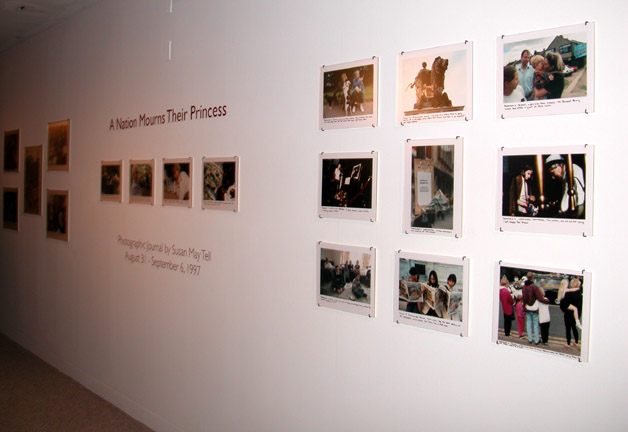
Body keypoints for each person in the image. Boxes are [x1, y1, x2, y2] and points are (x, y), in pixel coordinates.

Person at [522, 272, 549, 345]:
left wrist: (524, 306)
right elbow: (540, 298)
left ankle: (530, 339)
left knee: (528, 323)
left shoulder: (524, 287)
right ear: (533, 278)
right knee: (535, 325)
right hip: (534, 308)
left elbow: (524, 298)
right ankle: (536, 340)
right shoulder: (534, 287)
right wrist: (547, 301)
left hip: (527, 307)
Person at [560, 278, 583, 349]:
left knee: (568, 329)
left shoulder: (569, 293)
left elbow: (564, 303)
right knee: (574, 328)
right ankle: (576, 342)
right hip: (576, 314)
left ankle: (568, 344)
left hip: (568, 314)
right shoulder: (579, 293)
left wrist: (563, 309)